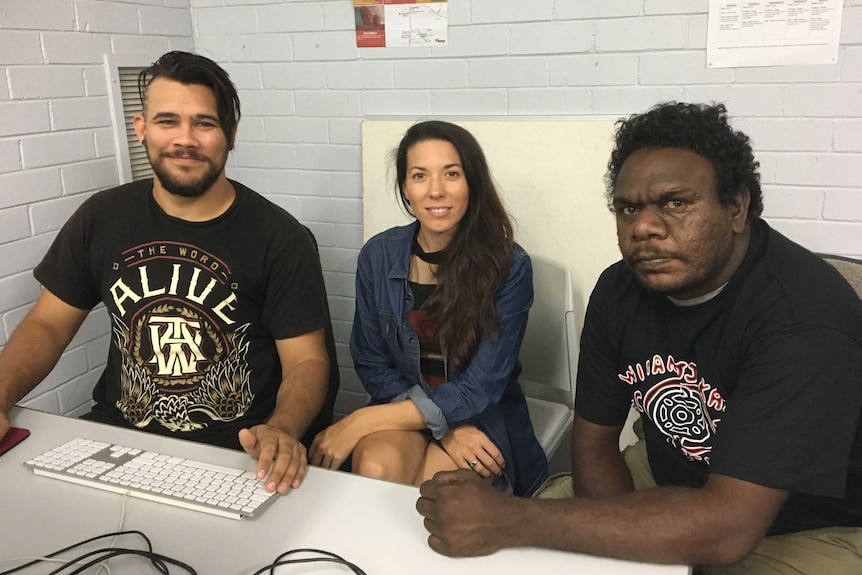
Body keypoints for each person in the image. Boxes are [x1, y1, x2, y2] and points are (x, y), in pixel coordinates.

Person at [416, 102, 862, 574]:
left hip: (808, 524)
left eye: (676, 203)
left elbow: (729, 528)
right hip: (666, 473)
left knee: (518, 527)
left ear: (735, 207)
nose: (644, 227)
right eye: (629, 208)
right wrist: (625, 558)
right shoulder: (620, 290)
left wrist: (514, 518)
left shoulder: (803, 320)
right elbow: (593, 445)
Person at [0, 51, 339, 494]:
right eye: (167, 121)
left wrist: (284, 428)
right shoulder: (101, 217)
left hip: (238, 454)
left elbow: (308, 361)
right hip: (117, 439)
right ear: (142, 129)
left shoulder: (280, 237)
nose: (185, 139)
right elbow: (47, 324)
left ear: (230, 135)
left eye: (204, 123)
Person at [309, 120, 547, 496]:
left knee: (436, 493)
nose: (436, 191)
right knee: (374, 469)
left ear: (472, 181)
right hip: (401, 404)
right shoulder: (378, 255)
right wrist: (442, 426)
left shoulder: (509, 267)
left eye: (451, 174)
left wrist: (359, 422)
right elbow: (371, 362)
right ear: (406, 187)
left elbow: (480, 387)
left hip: (478, 418)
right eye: (420, 176)